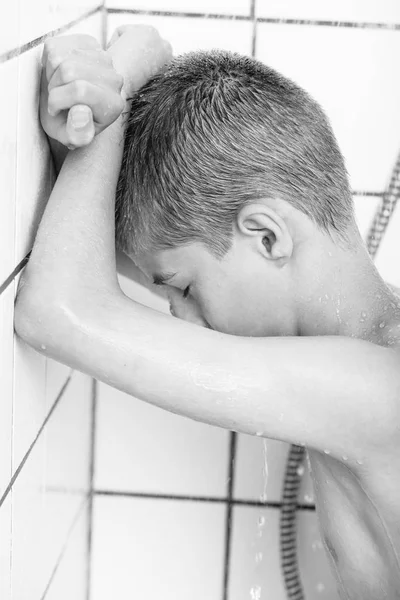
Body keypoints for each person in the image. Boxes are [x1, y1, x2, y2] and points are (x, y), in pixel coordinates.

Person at [14, 25, 400, 598]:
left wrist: (124, 74)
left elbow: (56, 310)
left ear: (268, 238)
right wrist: (80, 121)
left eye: (185, 289)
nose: (182, 318)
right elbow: (76, 245)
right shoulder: (362, 351)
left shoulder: (376, 387)